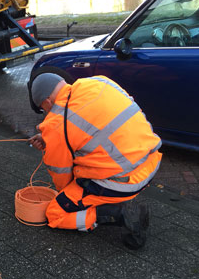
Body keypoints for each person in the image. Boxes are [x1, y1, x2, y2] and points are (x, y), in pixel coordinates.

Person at [27, 73, 162, 249]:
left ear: (47, 101)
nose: (45, 113)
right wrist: (51, 141)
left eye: (42, 109)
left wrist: (67, 197)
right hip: (150, 162)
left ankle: (122, 213)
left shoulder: (56, 124)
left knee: (55, 214)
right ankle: (112, 202)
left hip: (123, 182)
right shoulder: (99, 81)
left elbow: (61, 176)